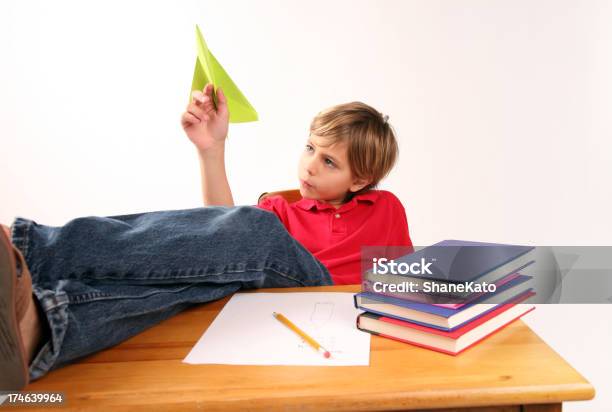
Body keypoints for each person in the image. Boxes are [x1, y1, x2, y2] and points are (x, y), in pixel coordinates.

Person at [0, 83, 412, 390]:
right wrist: (211, 150)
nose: (310, 167)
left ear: (361, 179)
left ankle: (29, 250)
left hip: (331, 305)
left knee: (256, 226)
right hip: (270, 308)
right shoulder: (281, 210)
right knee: (194, 284)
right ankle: (41, 324)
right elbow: (218, 235)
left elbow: (404, 283)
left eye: (328, 161)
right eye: (309, 148)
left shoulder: (385, 209)